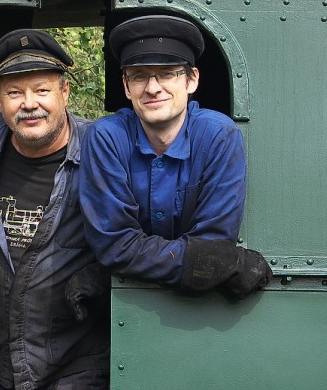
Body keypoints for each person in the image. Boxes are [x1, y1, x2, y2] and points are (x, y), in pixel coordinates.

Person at [79, 15, 271, 298]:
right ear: (126, 86)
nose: (153, 88)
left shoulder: (218, 136)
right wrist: (198, 262)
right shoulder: (106, 138)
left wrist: (140, 259)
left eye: (167, 73)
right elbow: (114, 245)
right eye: (139, 75)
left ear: (191, 80)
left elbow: (213, 243)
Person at [0, 29, 109, 390]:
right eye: (15, 93)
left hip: (74, 363)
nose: (29, 104)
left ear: (65, 92)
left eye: (42, 90)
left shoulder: (102, 151)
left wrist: (101, 278)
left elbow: (144, 229)